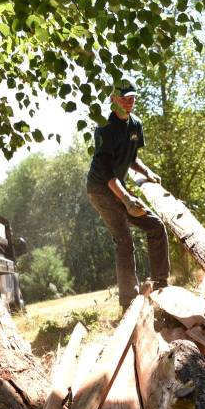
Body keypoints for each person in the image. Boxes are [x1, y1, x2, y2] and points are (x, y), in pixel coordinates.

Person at [86, 82, 170, 311]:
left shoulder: (136, 125)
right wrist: (126, 200)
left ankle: (162, 285)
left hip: (118, 187)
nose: (129, 101)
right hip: (102, 190)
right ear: (114, 100)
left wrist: (148, 172)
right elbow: (107, 174)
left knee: (155, 226)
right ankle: (128, 303)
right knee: (124, 242)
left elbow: (131, 158)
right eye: (124, 98)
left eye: (132, 97)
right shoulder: (104, 128)